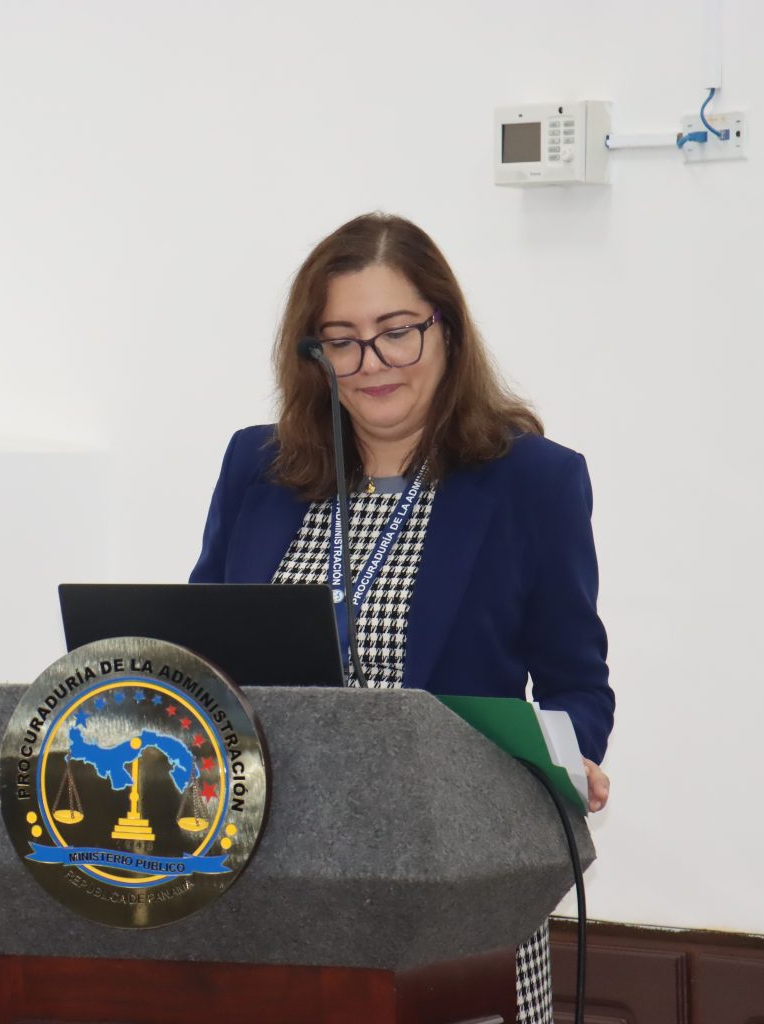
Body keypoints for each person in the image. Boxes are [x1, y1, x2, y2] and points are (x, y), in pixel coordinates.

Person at [189, 212, 613, 1024]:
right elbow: (197, 658)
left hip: (457, 891)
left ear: (446, 329)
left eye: (396, 333)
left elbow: (578, 687)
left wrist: (571, 758)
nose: (371, 363)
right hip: (265, 886)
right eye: (341, 341)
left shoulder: (531, 481)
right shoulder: (258, 467)